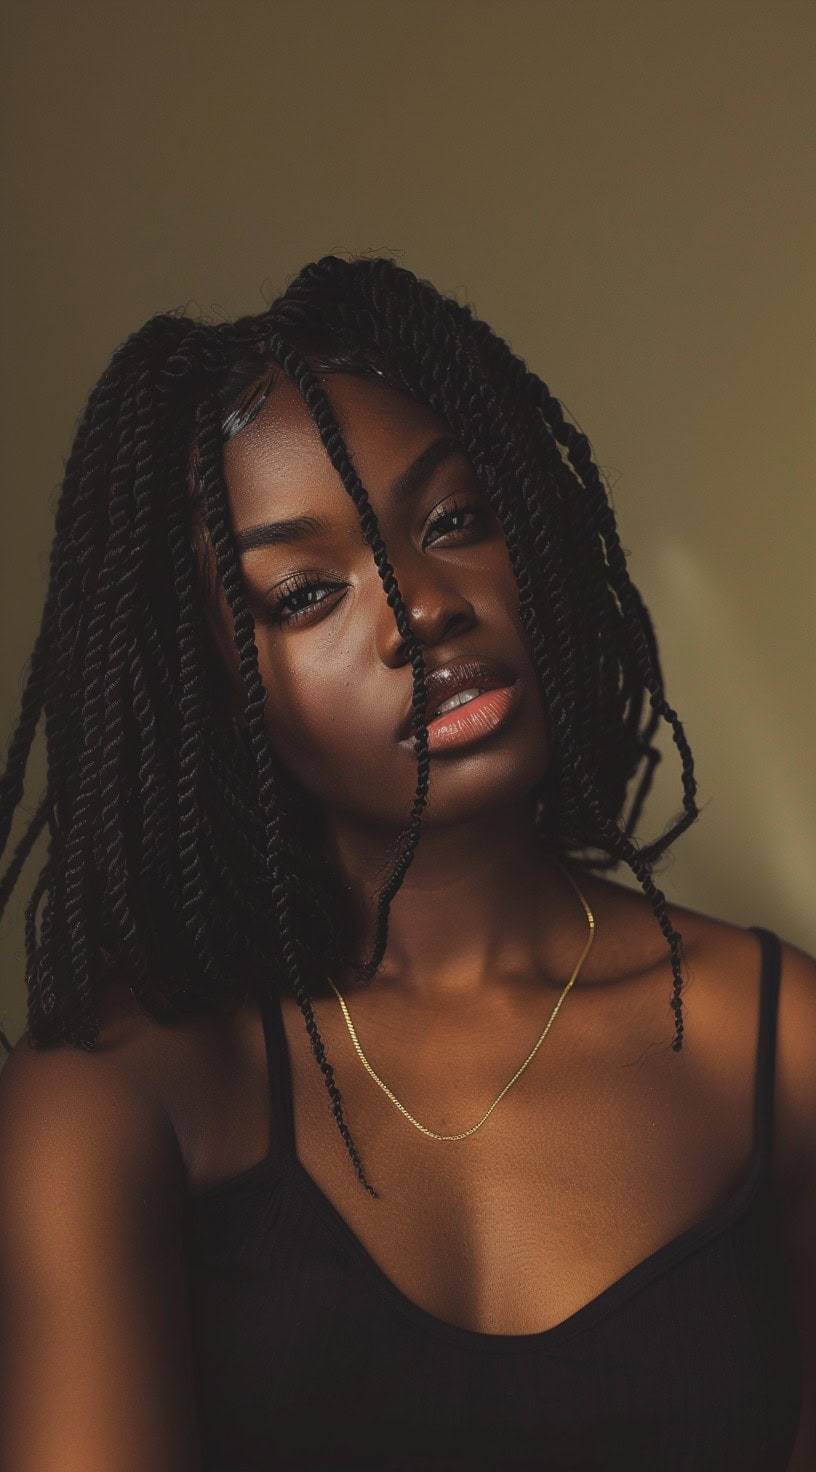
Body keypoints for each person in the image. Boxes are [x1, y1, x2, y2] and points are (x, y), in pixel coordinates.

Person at [0, 255, 812, 1471]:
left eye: (454, 521)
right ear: (212, 692)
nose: (418, 604)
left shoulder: (783, 1042)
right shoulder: (121, 1099)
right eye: (306, 592)